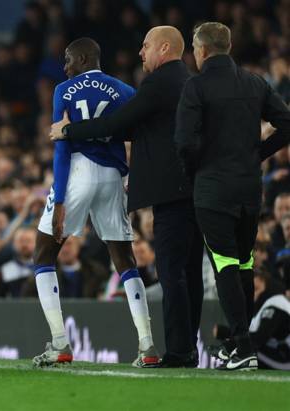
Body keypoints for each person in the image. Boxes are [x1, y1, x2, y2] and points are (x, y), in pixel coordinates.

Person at [50, 26, 203, 368]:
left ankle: (177, 351)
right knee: (189, 270)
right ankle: (186, 347)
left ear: (164, 48)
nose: (140, 52)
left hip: (169, 191)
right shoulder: (189, 82)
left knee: (172, 270)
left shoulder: (160, 82)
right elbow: (132, 126)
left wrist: (68, 130)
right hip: (194, 188)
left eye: (146, 45)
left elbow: (116, 123)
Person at [33, 37, 159, 368]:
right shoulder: (125, 90)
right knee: (123, 257)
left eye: (69, 59)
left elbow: (62, 145)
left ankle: (60, 342)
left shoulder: (64, 89)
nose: (65, 66)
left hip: (78, 171)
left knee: (43, 252)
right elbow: (137, 133)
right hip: (114, 176)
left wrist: (59, 199)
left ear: (85, 58)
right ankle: (147, 345)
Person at [175, 22, 290, 370]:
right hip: (249, 188)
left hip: (213, 188)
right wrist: (258, 154)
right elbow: (286, 123)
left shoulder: (196, 87)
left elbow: (183, 142)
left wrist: (196, 169)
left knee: (224, 263)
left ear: (203, 50)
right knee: (244, 263)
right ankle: (241, 344)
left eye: (195, 49)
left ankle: (242, 344)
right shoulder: (254, 82)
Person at [212, 271, 290, 370]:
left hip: (286, 357)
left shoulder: (276, 303)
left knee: (245, 353)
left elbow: (259, 338)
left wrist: (229, 340)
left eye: (256, 289)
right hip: (280, 352)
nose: (255, 295)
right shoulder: (261, 307)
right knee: (243, 351)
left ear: (265, 283)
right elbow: (251, 334)